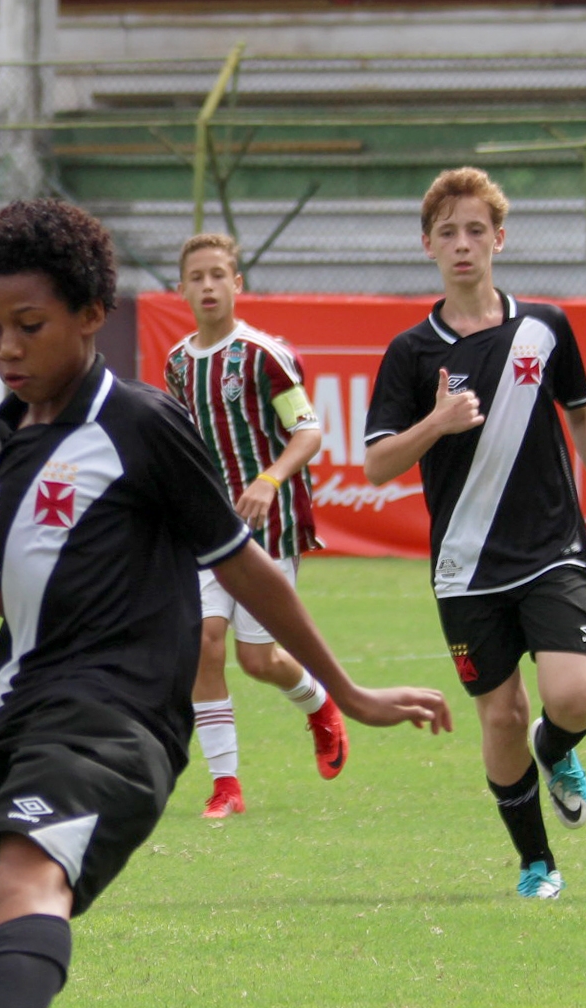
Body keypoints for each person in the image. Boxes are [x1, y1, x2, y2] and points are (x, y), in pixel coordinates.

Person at [0, 199, 451, 1008]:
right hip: (14, 711)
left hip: (119, 715)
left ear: (93, 314)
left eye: (30, 326)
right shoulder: (20, 436)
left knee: (24, 874)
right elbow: (16, 591)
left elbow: (249, 568)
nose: (6, 349)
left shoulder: (141, 422)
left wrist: (346, 691)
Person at [362, 168, 586, 900]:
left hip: (551, 549)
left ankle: (559, 747)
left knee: (571, 696)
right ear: (427, 246)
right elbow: (378, 461)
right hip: (465, 567)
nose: (462, 244)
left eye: (476, 229)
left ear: (499, 239)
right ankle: (537, 862)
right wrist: (436, 424)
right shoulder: (411, 353)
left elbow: (581, 413)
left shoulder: (545, 326)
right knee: (502, 713)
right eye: (447, 232)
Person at [165, 233, 345, 817]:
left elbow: (309, 431)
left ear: (236, 285)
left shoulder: (265, 355)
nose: (209, 285)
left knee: (259, 660)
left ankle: (320, 706)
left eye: (220, 274)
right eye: (198, 277)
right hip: (210, 530)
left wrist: (268, 481)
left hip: (272, 524)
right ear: (183, 288)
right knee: (203, 645)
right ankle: (226, 786)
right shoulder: (176, 364)